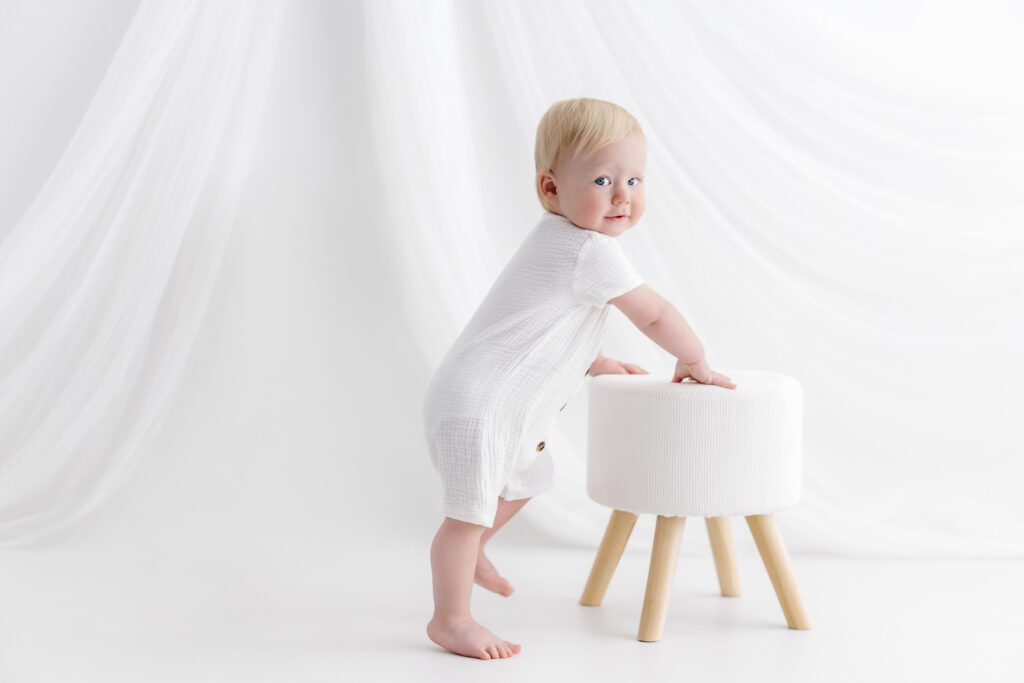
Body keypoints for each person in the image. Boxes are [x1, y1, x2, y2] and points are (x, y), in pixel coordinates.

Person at [422, 97, 737, 660]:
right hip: (479, 406)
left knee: (531, 476)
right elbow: (654, 315)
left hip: (481, 395)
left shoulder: (558, 241)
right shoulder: (590, 250)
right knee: (464, 517)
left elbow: (540, 324)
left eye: (634, 179)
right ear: (551, 188)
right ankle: (451, 618)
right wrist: (694, 358)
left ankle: (474, 552)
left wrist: (594, 360)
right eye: (602, 180)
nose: (623, 196)